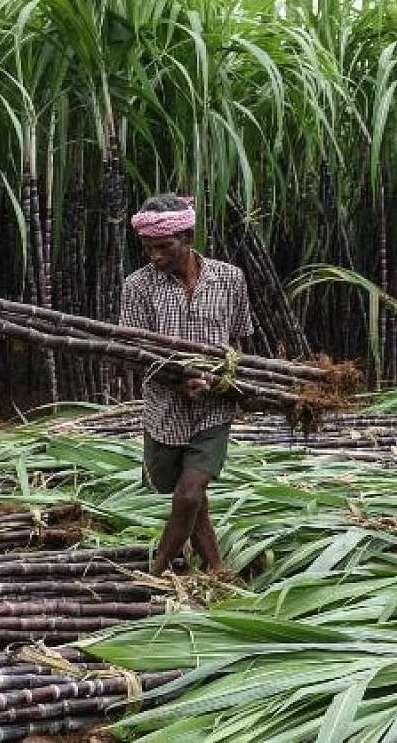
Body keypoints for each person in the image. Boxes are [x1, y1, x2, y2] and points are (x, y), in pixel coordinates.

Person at [118, 193, 253, 577]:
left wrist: (226, 382)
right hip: (165, 409)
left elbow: (239, 342)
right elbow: (139, 352)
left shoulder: (230, 278)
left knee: (190, 492)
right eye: (148, 249)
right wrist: (180, 382)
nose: (155, 257)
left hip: (215, 407)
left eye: (164, 247)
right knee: (186, 497)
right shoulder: (137, 286)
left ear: (189, 236)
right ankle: (216, 567)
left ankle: (157, 570)